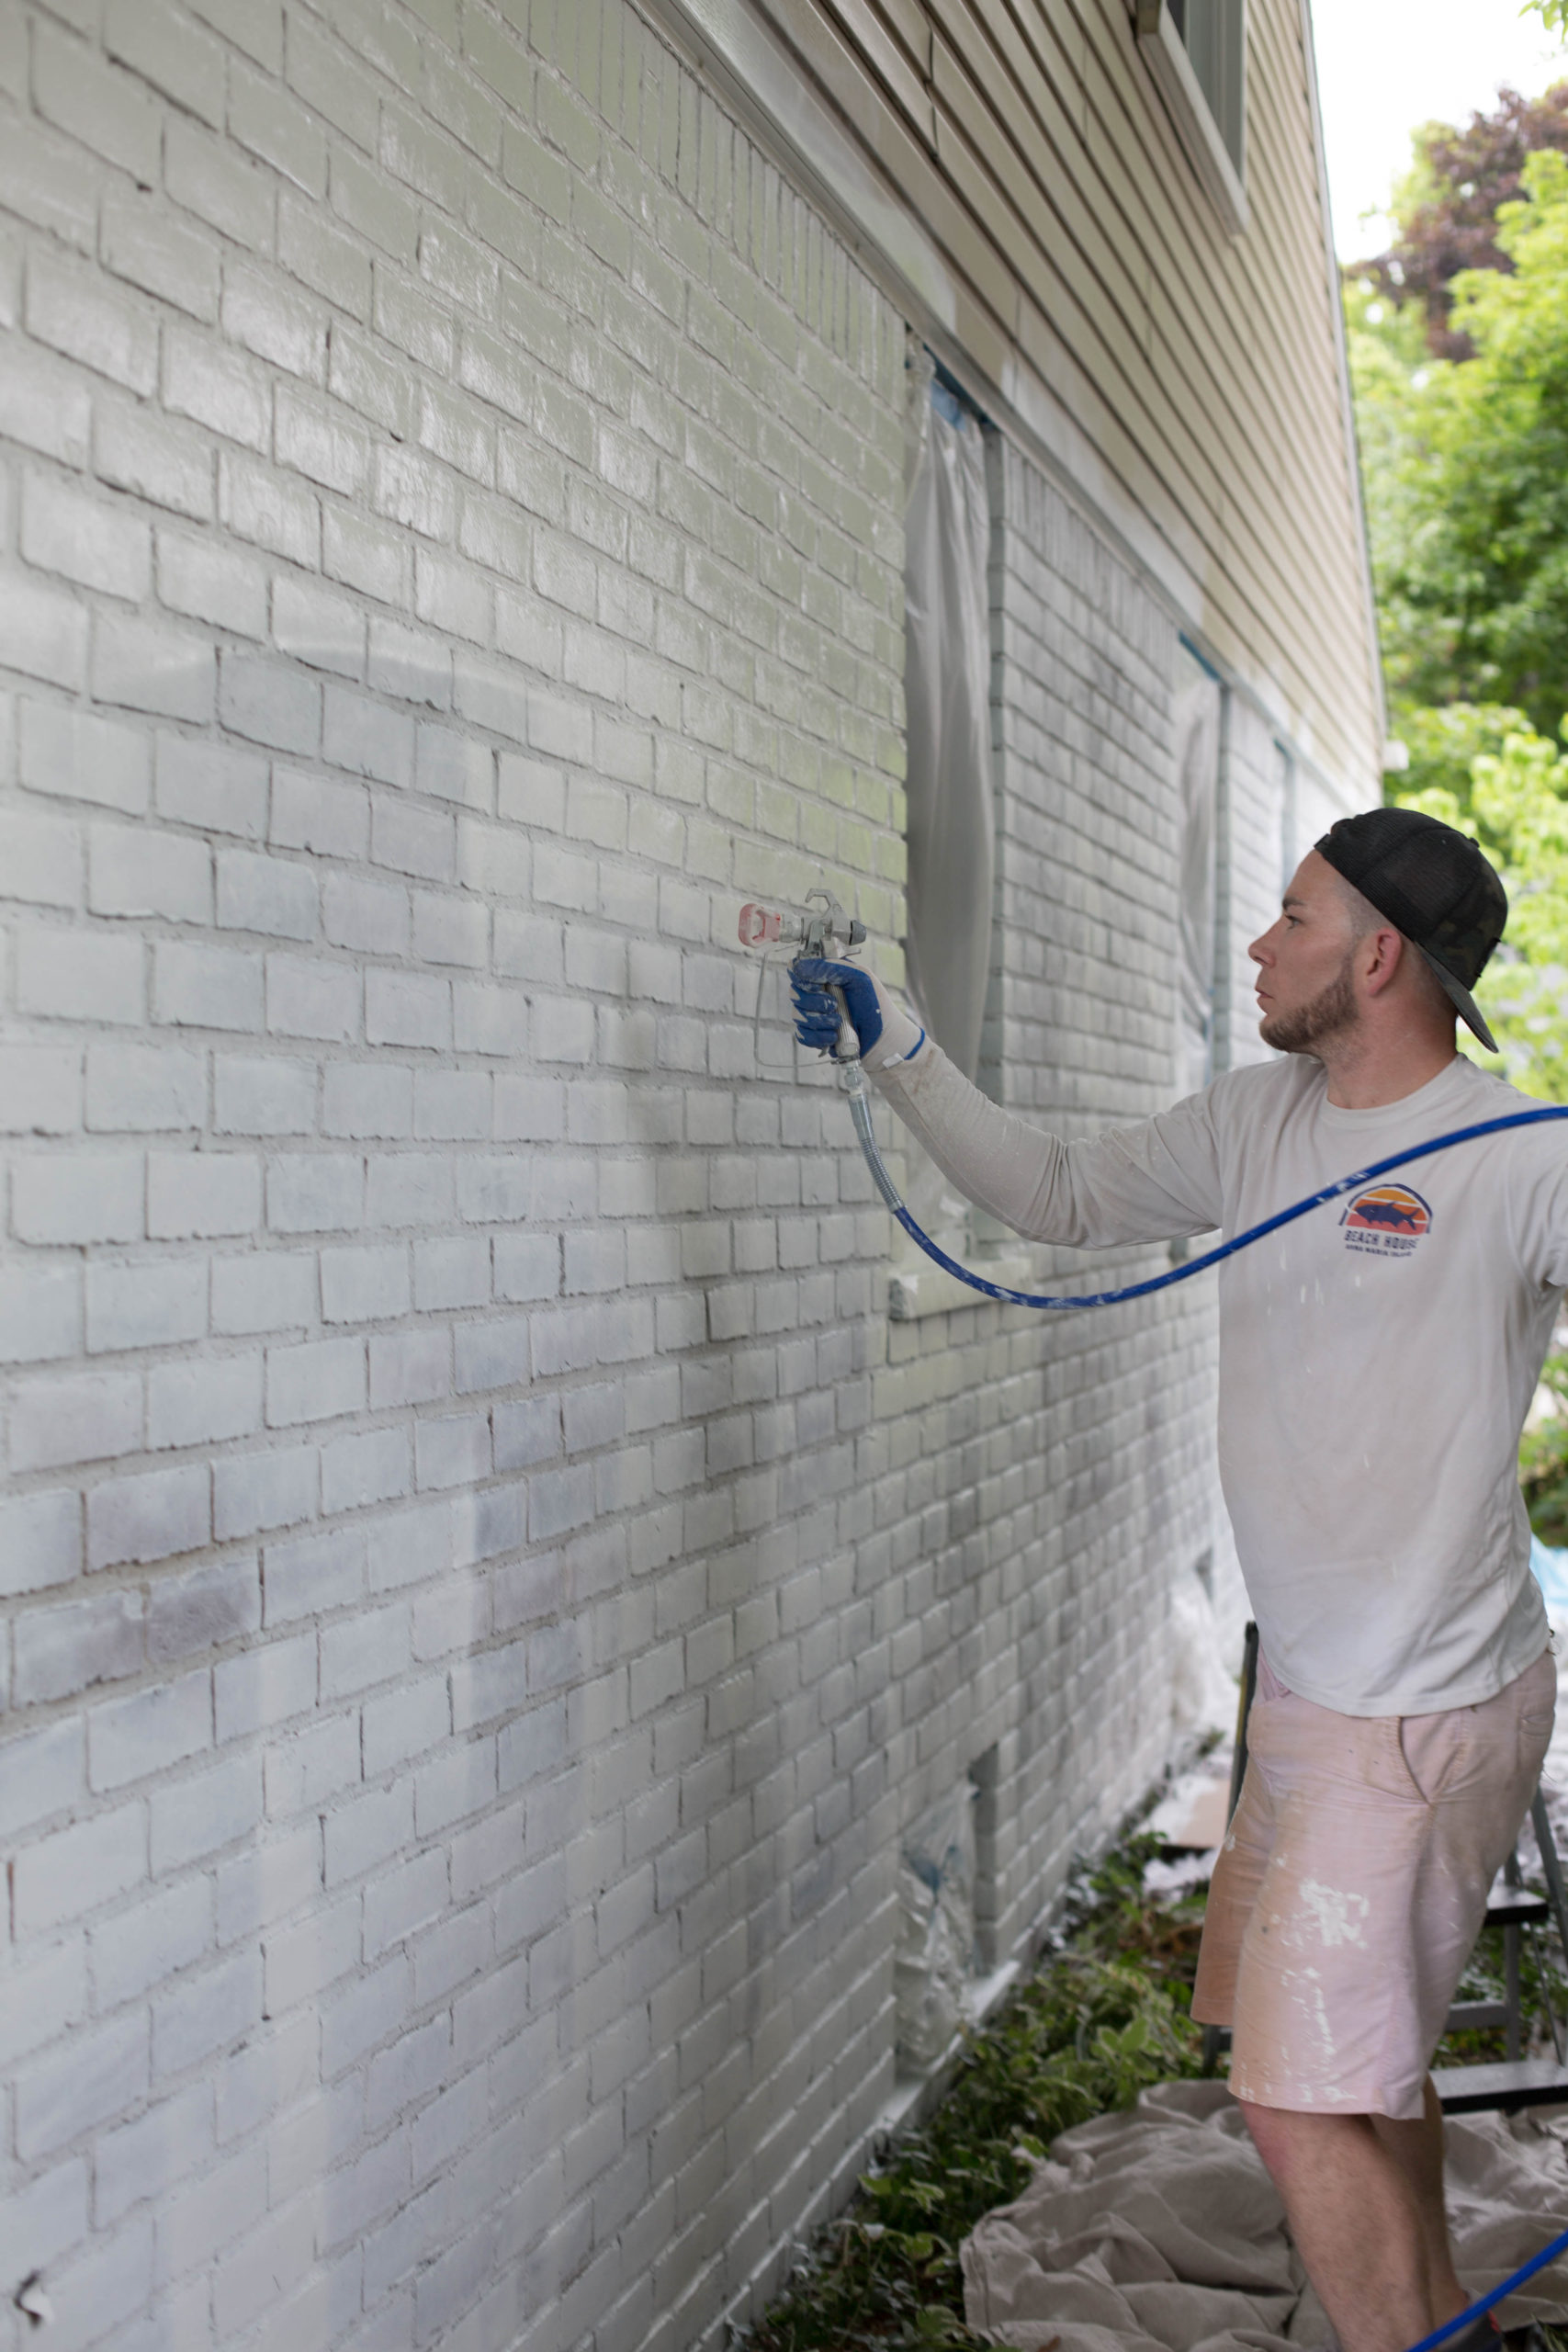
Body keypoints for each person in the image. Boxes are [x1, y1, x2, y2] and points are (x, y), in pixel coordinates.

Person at [791, 808, 1559, 2352]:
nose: (1261, 945)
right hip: (1311, 1696)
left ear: (1381, 954)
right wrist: (904, 1049)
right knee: (1367, 2076)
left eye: (1291, 917)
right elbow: (1066, 1196)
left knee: (1290, 2101)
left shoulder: (1523, 1160)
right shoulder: (1256, 1123)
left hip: (1419, 1711)